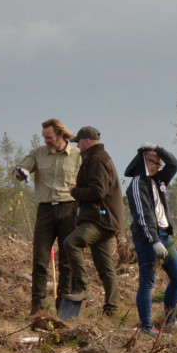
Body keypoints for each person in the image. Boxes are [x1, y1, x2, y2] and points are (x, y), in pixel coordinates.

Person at [15, 118, 81, 317]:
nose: (46, 141)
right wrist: (22, 173)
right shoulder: (38, 153)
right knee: (40, 260)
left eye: (49, 137)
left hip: (69, 210)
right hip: (45, 211)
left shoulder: (78, 155)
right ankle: (38, 308)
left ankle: (63, 309)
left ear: (61, 136)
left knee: (67, 261)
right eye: (44, 137)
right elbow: (20, 170)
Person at [125, 144, 177, 336]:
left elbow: (174, 164)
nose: (156, 166)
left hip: (164, 236)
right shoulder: (138, 184)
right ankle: (146, 327)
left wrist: (159, 149)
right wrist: (154, 241)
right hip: (148, 239)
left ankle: (170, 320)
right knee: (147, 282)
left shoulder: (159, 180)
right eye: (152, 161)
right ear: (142, 161)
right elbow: (143, 215)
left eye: (158, 163)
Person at [63, 126, 123, 316]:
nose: (77, 146)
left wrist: (74, 191)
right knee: (106, 267)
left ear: (87, 141)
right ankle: (112, 310)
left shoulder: (97, 160)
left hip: (100, 220)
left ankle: (82, 287)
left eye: (79, 142)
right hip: (104, 219)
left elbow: (98, 192)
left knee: (71, 242)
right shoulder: (97, 159)